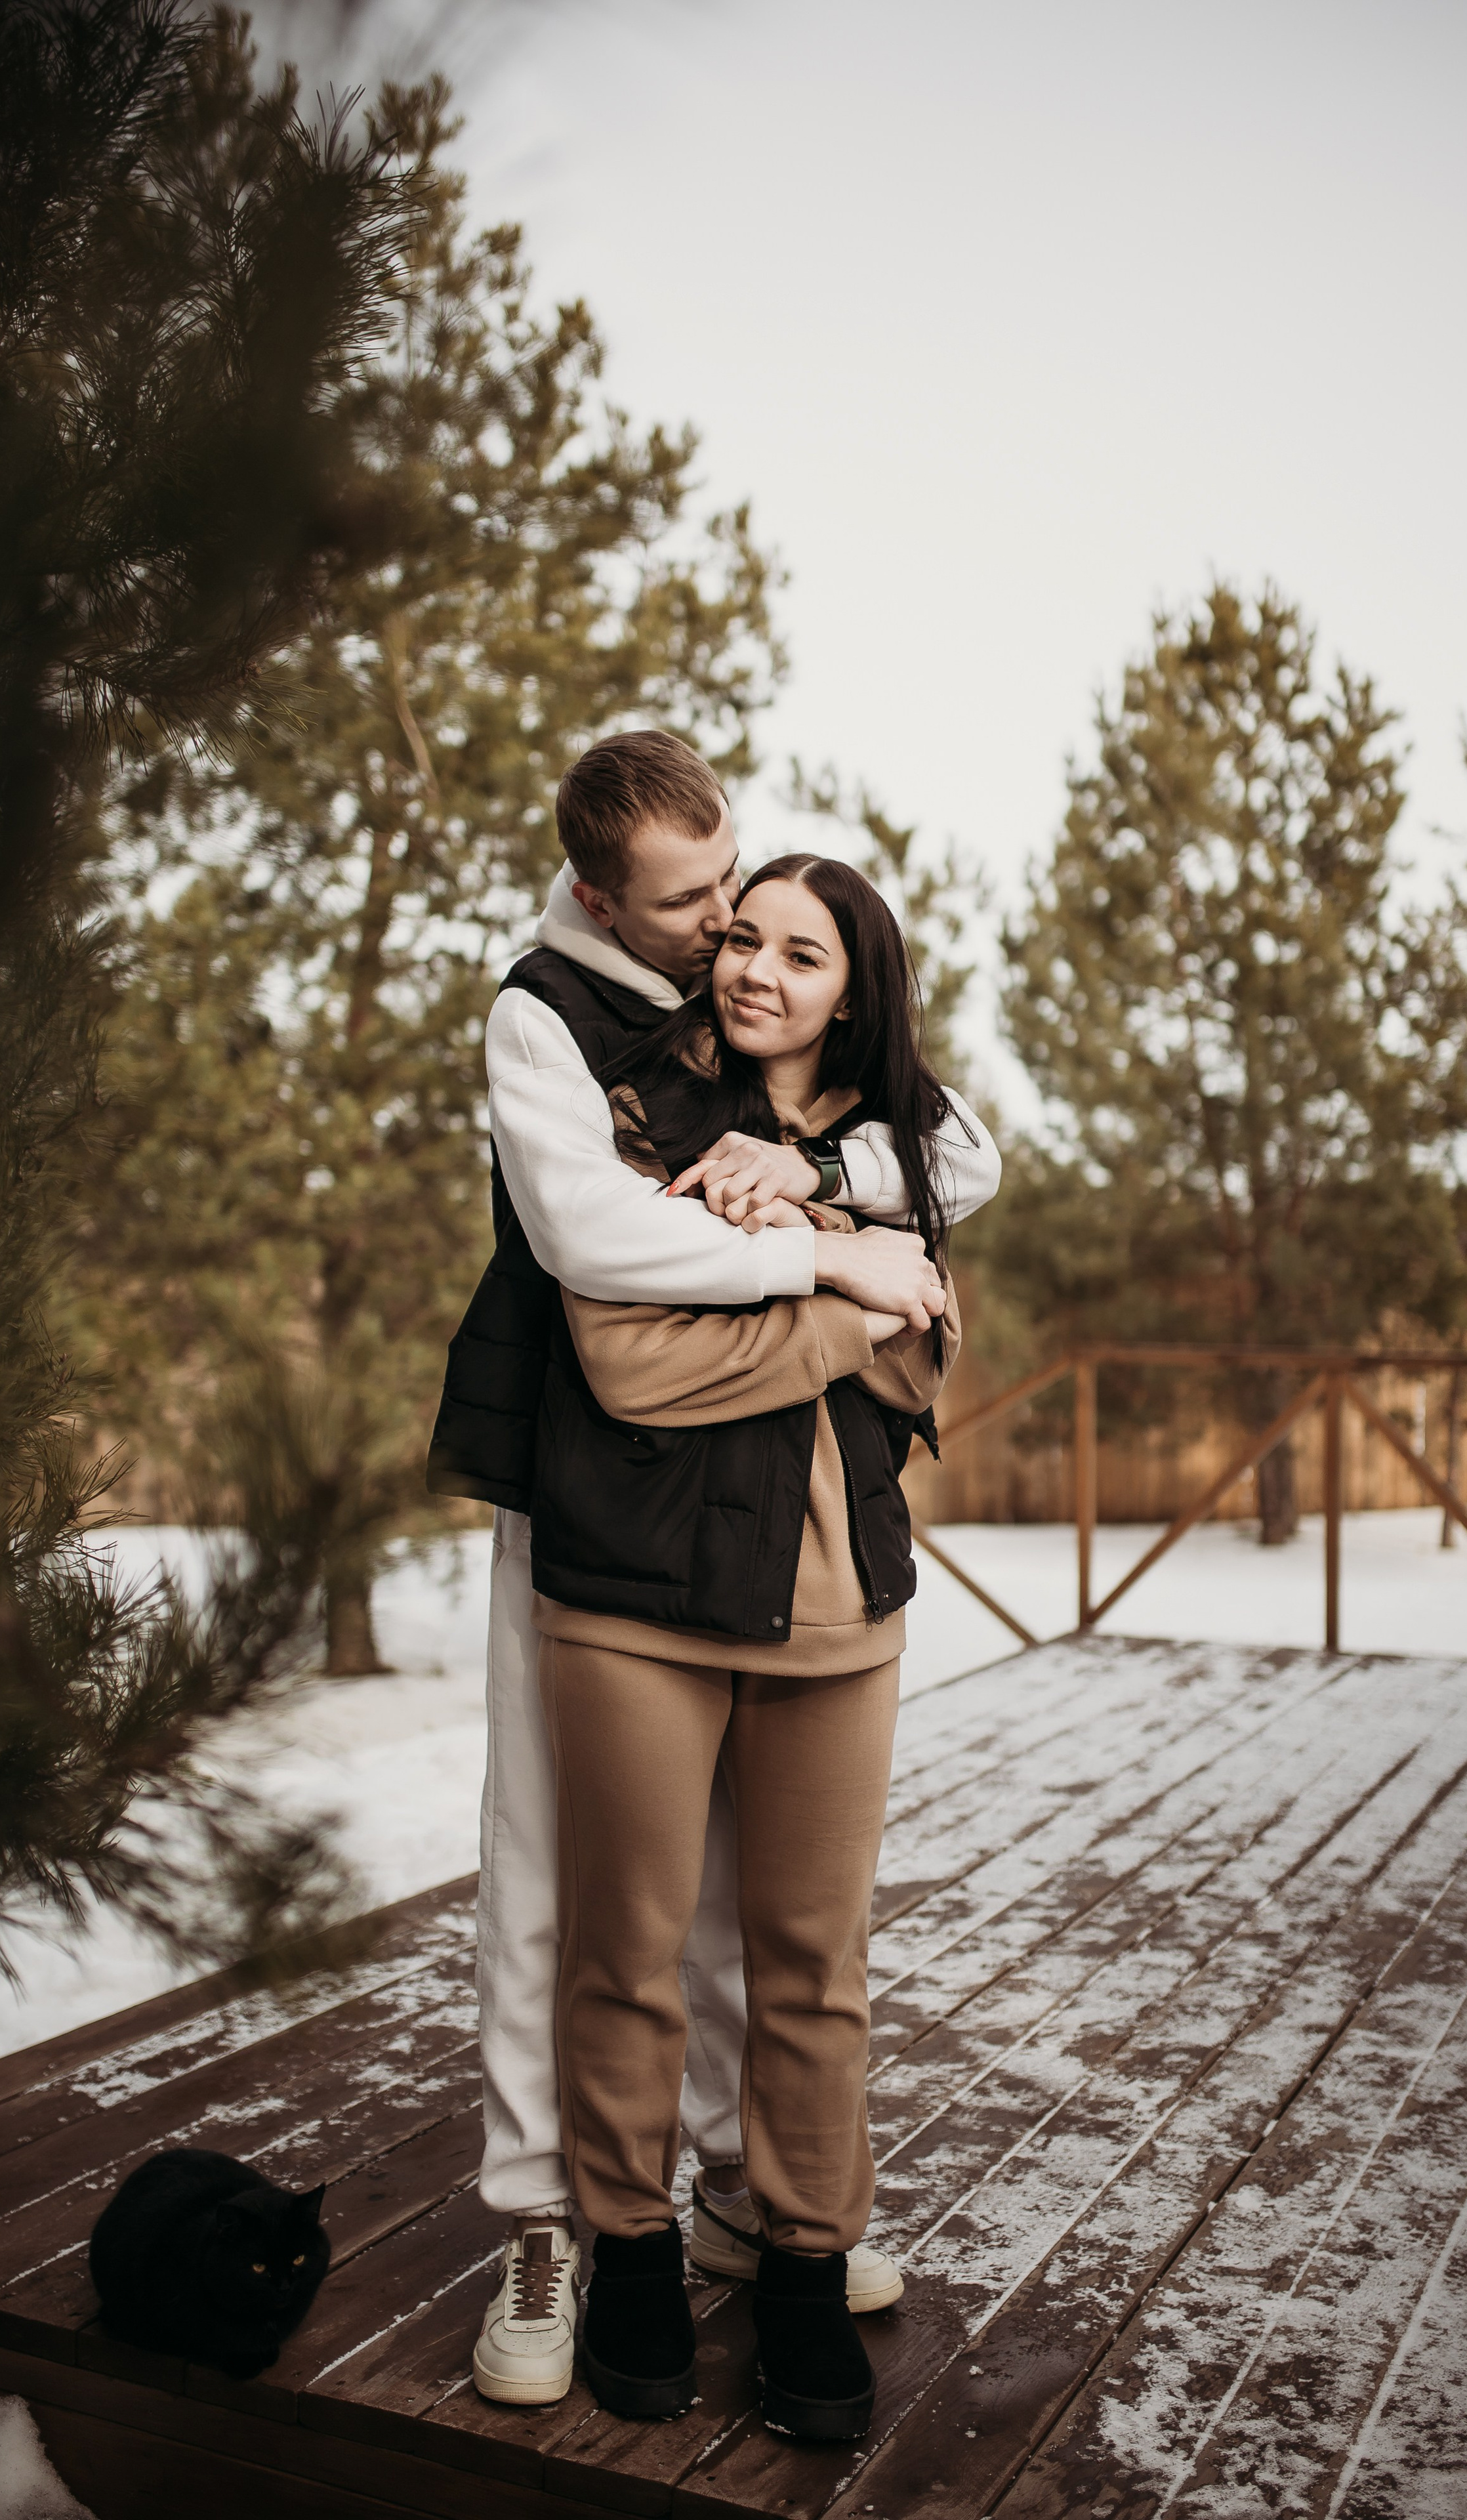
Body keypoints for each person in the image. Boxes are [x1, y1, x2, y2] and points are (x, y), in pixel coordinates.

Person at [426, 734, 1000, 2408]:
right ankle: (563, 2222)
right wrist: (844, 1272)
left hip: (797, 1559)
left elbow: (950, 1172)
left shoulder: (794, 1068)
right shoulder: (560, 1022)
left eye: (747, 906)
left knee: (778, 1935)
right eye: (701, 915)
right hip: (586, 1503)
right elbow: (607, 1276)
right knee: (566, 1888)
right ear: (605, 895)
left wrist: (821, 1182)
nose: (724, 938)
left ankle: (760, 2208)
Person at [533, 852, 960, 2442]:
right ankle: (629, 2252)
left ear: (853, 987)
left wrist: (843, 1247)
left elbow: (926, 1366)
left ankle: (799, 2260)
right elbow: (633, 1365)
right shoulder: (637, 1121)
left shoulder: (889, 1151)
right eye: (742, 940)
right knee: (626, 1954)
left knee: (811, 1967)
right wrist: (850, 1308)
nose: (757, 972)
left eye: (802, 952)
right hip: (632, 1601)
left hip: (839, 1608)